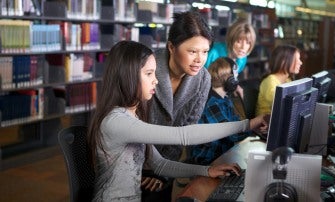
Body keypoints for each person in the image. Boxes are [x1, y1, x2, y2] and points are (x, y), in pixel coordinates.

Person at [87, 40, 267, 202]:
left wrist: (206, 171)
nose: (156, 81)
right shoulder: (116, 122)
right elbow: (183, 135)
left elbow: (160, 164)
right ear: (128, 76)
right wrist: (247, 124)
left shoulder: (132, 116)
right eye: (149, 73)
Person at [147, 11, 213, 201]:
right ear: (171, 47)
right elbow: (133, 125)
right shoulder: (145, 69)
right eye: (192, 51)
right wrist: (149, 170)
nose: (199, 59)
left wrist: (163, 172)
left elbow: (186, 130)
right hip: (134, 161)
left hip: (167, 165)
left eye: (205, 51)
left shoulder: (203, 79)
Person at [187, 57, 269, 165]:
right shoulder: (212, 103)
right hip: (208, 160)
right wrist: (255, 123)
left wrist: (255, 129)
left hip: (223, 153)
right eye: (235, 76)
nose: (237, 79)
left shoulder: (224, 99)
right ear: (231, 80)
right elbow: (231, 134)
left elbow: (236, 124)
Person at [204, 18, 257, 98]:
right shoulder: (214, 52)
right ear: (231, 39)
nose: (243, 47)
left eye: (248, 43)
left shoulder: (242, 59)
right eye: (239, 41)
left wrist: (235, 86)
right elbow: (203, 79)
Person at [255, 44, 302, 116]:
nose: (300, 62)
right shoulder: (270, 81)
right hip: (265, 123)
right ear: (283, 61)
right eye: (297, 59)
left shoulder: (288, 80)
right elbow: (281, 104)